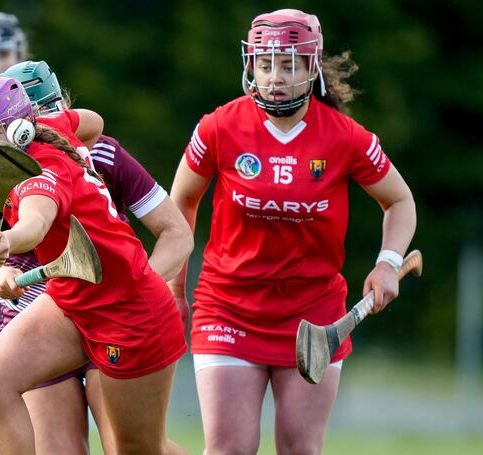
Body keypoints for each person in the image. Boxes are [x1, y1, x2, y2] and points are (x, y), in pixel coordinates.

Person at [168, 9, 417, 455]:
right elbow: (181, 203)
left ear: (311, 67)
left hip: (314, 313)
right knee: (230, 448)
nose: (275, 77)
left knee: (300, 447)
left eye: (288, 65)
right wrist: (175, 285)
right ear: (250, 66)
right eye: (265, 64)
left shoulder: (346, 138)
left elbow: (399, 201)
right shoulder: (220, 127)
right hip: (228, 308)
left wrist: (388, 263)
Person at [0, 74, 188, 455]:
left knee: (137, 450)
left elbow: (35, 224)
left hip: (129, 311)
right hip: (68, 299)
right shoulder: (41, 135)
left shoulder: (43, 171)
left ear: (17, 128)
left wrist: (6, 242)